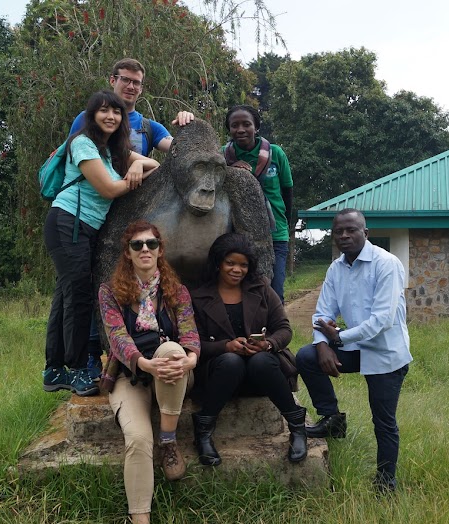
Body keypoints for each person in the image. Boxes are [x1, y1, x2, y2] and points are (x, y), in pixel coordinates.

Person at [71, 58, 195, 378]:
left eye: (136, 82)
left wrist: (187, 126)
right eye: (125, 79)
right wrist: (134, 161)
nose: (130, 86)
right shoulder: (86, 122)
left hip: (135, 219)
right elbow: (83, 159)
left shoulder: (147, 126)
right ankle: (90, 355)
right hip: (94, 213)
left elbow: (178, 152)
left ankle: (142, 346)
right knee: (90, 284)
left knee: (138, 285)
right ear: (112, 79)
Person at [43, 91, 159, 397]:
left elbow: (154, 164)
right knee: (80, 298)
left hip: (84, 228)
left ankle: (54, 370)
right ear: (91, 115)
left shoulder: (113, 149)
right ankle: (80, 369)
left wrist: (135, 165)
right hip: (68, 222)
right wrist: (135, 175)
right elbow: (108, 189)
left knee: (65, 298)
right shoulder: (82, 143)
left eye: (117, 112)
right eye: (104, 111)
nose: (111, 116)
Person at [298, 209, 412, 493]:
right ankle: (332, 419)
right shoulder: (336, 268)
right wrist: (323, 344)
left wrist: (337, 338)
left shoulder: (386, 264)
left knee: (383, 422)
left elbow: (382, 320)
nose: (345, 236)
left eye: (351, 230)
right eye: (339, 232)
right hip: (352, 347)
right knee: (307, 357)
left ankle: (386, 483)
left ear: (365, 233)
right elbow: (322, 313)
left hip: (386, 354)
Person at [99, 220, 200, 524]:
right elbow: (117, 337)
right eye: (137, 245)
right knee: (139, 439)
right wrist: (146, 364)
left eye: (151, 244)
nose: (145, 249)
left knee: (171, 348)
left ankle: (168, 442)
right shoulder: (110, 292)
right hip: (132, 375)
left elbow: (190, 333)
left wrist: (190, 359)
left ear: (160, 250)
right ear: (127, 253)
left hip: (173, 374)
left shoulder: (176, 291)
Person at [190, 232, 307, 464]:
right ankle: (203, 433)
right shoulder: (198, 297)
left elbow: (284, 329)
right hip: (219, 377)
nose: (237, 270)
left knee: (261, 360)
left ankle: (297, 428)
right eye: (230, 263)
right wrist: (226, 346)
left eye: (243, 265)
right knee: (231, 361)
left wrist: (268, 344)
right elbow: (191, 342)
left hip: (261, 375)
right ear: (218, 263)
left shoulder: (261, 288)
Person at [223, 105, 294, 301]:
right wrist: (232, 170)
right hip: (239, 233)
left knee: (274, 292)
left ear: (256, 127)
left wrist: (285, 225)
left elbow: (287, 191)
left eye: (246, 124)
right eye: (234, 125)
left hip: (275, 232)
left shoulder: (275, 153)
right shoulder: (223, 156)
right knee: (244, 290)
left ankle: (276, 331)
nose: (240, 130)